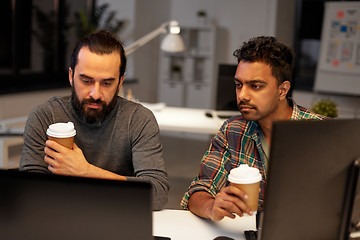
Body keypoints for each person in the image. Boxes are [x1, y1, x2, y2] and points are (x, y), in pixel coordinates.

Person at [19, 30, 169, 211]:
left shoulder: (139, 120)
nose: (95, 94)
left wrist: (85, 171)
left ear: (120, 82)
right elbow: (28, 194)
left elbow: (158, 194)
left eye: (107, 83)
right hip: (61, 218)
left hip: (118, 219)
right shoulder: (45, 116)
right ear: (70, 76)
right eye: (86, 80)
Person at [181, 36, 327, 221]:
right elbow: (198, 191)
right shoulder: (232, 130)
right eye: (238, 85)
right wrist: (211, 206)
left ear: (283, 90)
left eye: (255, 86)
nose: (243, 95)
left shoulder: (322, 133)